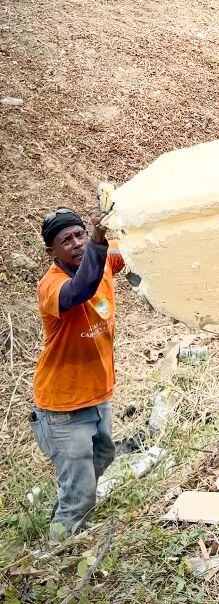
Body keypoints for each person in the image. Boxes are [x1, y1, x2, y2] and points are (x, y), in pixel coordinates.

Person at [29, 204, 123, 541]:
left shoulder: (104, 258)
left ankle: (72, 499)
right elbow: (81, 289)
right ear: (51, 251)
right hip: (62, 408)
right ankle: (55, 554)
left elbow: (135, 253)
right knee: (81, 494)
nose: (77, 243)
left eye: (80, 234)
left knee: (105, 454)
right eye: (66, 240)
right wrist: (99, 240)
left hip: (97, 395)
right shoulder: (51, 286)